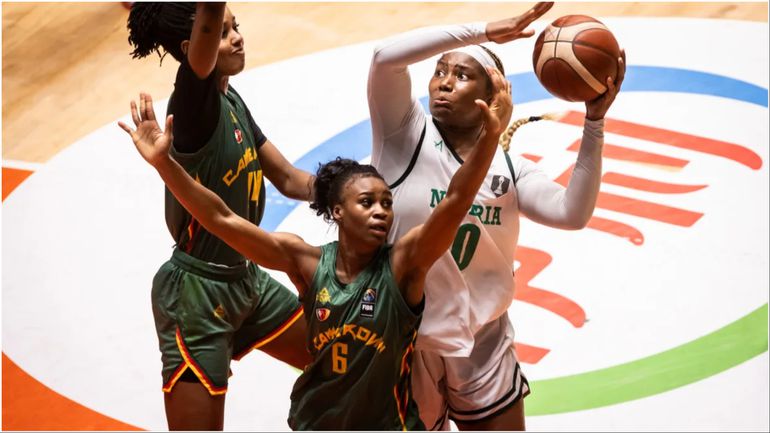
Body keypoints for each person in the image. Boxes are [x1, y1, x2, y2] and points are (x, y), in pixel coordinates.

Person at [118, 74, 511, 429]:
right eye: (367, 203)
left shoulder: (404, 263)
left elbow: (456, 200)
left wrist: (490, 138)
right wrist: (165, 165)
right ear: (337, 211)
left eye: (386, 203)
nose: (381, 212)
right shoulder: (305, 261)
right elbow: (220, 219)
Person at [367, 2, 626, 430]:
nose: (443, 82)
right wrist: (485, 31)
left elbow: (572, 213)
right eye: (440, 71)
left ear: (494, 96)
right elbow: (384, 58)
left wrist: (594, 122)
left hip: (483, 338)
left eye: (462, 75)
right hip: (405, 336)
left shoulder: (510, 169)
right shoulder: (403, 134)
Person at [125, 3, 315, 430]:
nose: (237, 38)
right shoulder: (194, 104)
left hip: (246, 279)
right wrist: (211, 15)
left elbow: (289, 178)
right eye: (223, 32)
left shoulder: (231, 98)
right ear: (194, 47)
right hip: (196, 295)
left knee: (343, 354)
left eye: (237, 27)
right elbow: (207, 19)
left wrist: (351, 187)